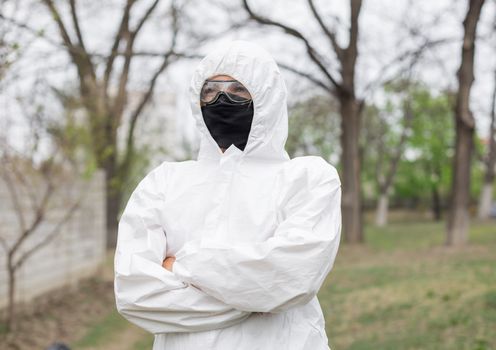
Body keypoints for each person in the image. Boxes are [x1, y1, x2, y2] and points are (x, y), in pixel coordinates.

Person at [114, 40, 342, 350]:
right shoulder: (164, 183)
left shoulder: (308, 179)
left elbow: (291, 279)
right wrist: (255, 299)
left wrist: (179, 266)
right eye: (210, 91)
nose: (221, 99)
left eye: (238, 90)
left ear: (267, 99)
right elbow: (134, 293)